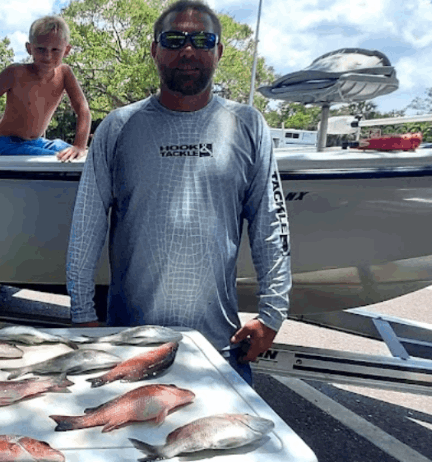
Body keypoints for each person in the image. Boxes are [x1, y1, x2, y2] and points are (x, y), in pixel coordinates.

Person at [65, 0, 291, 386]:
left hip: (219, 349)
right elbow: (87, 223)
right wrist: (82, 312)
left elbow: (271, 224)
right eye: (174, 39)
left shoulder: (248, 125)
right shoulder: (118, 127)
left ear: (219, 51)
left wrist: (273, 313)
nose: (188, 50)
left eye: (202, 40)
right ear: (155, 49)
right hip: (129, 346)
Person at [0, 15, 91, 166]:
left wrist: (79, 146)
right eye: (41, 49)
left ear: (67, 50)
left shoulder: (65, 73)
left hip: (38, 142)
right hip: (7, 144)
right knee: (61, 159)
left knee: (88, 155)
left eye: (55, 50)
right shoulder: (14, 73)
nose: (48, 56)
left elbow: (83, 109)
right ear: (29, 48)